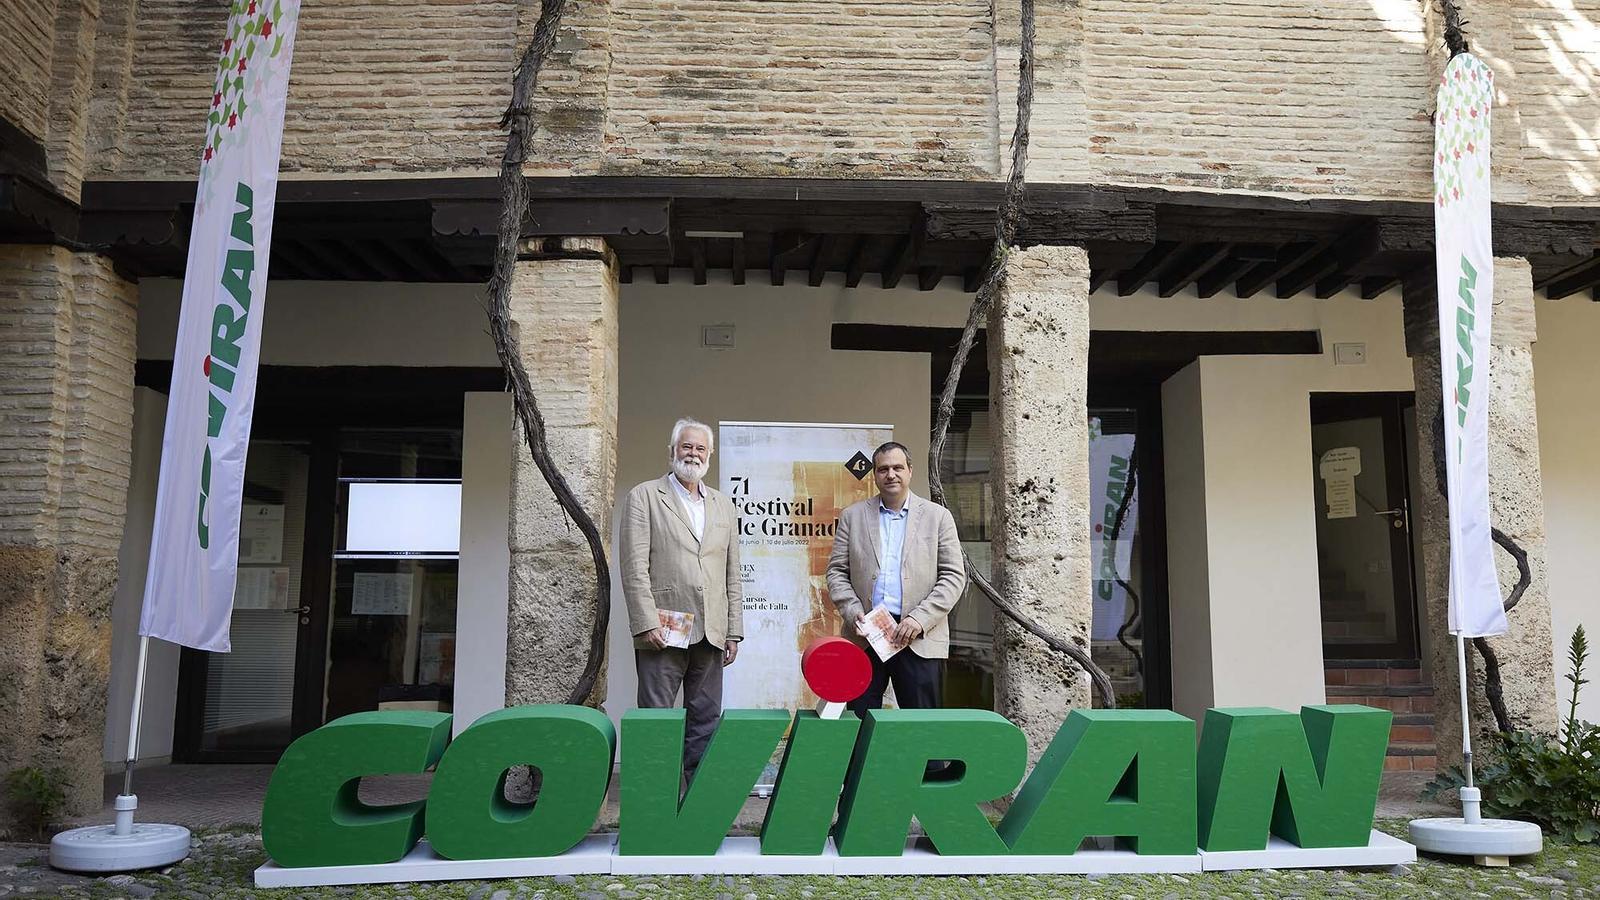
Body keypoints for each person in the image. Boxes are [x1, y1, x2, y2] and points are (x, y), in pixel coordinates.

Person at [620, 417, 743, 775]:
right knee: (657, 721)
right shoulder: (645, 496)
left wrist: (733, 630)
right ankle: (658, 801)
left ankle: (694, 803)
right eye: (686, 446)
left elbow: (732, 572)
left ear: (710, 455)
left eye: (700, 448)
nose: (693, 453)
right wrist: (645, 622)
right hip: (663, 630)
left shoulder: (723, 504)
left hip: (711, 632)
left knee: (705, 721)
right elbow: (633, 565)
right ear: (672, 451)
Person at [826, 441, 966, 715]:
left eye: (898, 468)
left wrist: (919, 619)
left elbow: (953, 576)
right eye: (883, 469)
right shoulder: (852, 516)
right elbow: (837, 572)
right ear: (875, 474)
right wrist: (852, 611)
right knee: (860, 722)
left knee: (921, 726)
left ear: (910, 471)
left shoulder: (938, 517)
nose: (891, 474)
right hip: (867, 635)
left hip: (918, 637)